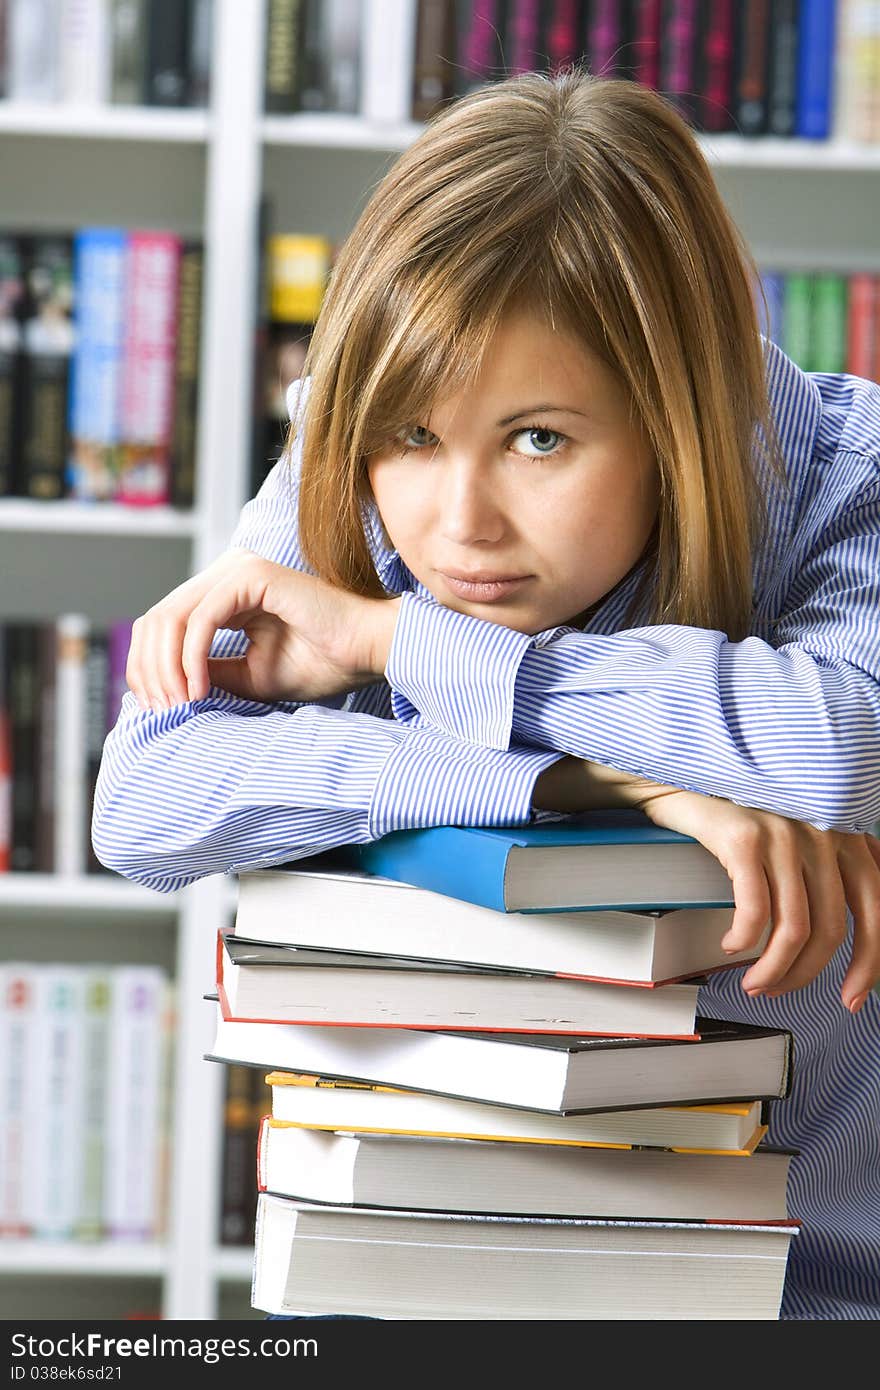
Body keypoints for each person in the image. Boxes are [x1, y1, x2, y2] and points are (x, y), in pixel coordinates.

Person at [92, 69, 880, 1320]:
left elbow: (834, 740)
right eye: (410, 436)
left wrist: (398, 641)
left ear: (683, 415)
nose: (456, 524)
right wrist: (604, 781)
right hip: (414, 1289)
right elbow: (145, 801)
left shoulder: (850, 472)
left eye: (540, 441)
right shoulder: (355, 459)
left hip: (799, 1305)